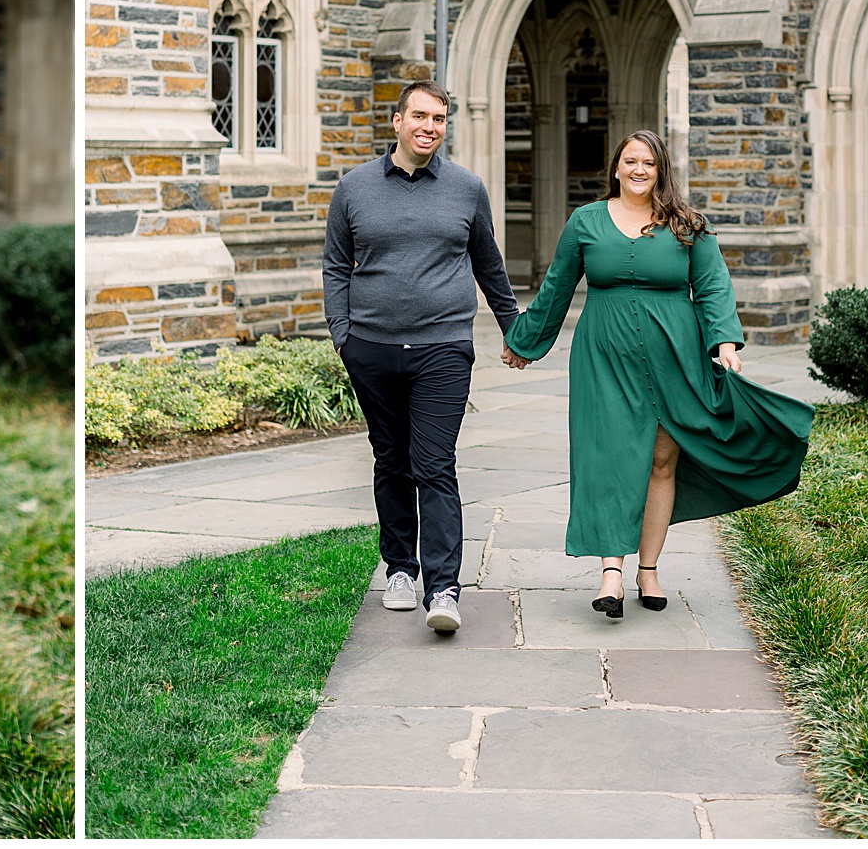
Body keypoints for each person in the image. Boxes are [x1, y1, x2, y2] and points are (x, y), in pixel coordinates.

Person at [501, 130, 814, 617]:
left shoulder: (689, 224)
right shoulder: (585, 220)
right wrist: (524, 341)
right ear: (616, 167)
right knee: (608, 456)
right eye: (630, 161)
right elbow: (557, 287)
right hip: (604, 358)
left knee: (662, 462)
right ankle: (611, 574)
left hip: (676, 358)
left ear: (661, 170)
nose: (639, 170)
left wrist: (724, 343)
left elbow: (712, 286)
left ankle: (648, 570)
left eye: (648, 162)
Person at [322, 80, 520, 634]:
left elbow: (489, 265)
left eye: (439, 118)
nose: (429, 127)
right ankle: (400, 571)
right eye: (420, 116)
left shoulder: (467, 188)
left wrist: (514, 330)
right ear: (398, 120)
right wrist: (342, 335)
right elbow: (336, 265)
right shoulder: (354, 187)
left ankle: (444, 588)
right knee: (391, 460)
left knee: (434, 464)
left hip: (443, 349)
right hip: (372, 348)